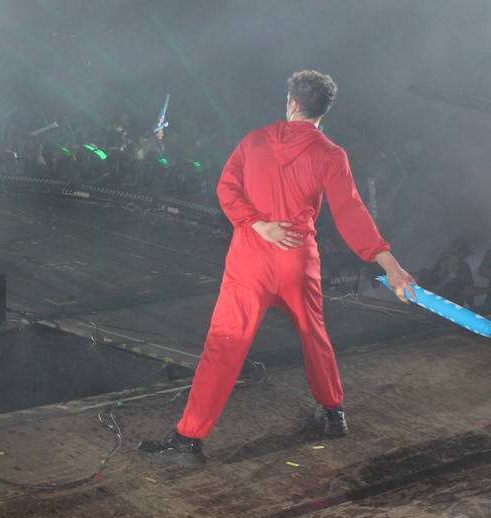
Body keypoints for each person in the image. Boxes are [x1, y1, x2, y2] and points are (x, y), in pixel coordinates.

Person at [139, 70, 417, 467]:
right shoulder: (331, 154)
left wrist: (257, 224)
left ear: (293, 102)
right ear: (323, 110)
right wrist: (389, 263)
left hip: (252, 258)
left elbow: (226, 189)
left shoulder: (255, 141)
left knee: (225, 344)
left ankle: (188, 440)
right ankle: (333, 413)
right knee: (314, 335)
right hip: (297, 258)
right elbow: (350, 212)